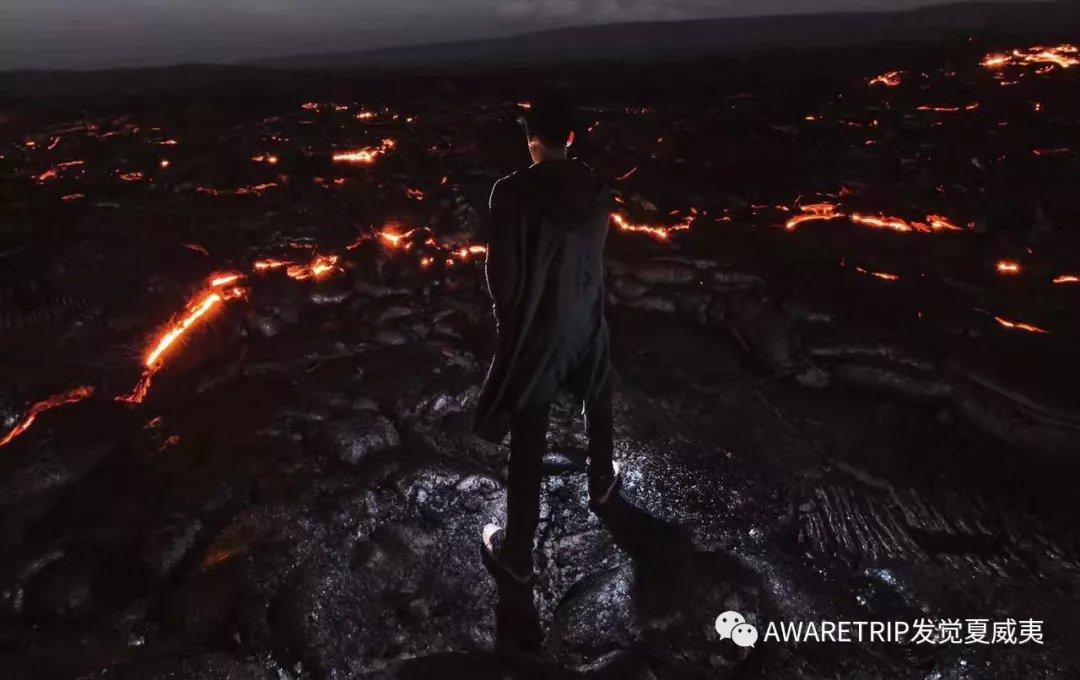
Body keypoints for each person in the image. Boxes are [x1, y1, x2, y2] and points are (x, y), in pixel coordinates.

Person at [473, 98, 620, 585]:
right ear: (571, 139)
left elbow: (502, 271)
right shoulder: (595, 187)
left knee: (529, 430)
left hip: (540, 322)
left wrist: (509, 321)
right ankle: (601, 481)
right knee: (597, 394)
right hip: (586, 312)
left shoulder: (512, 191)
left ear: (531, 140)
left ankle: (517, 552)